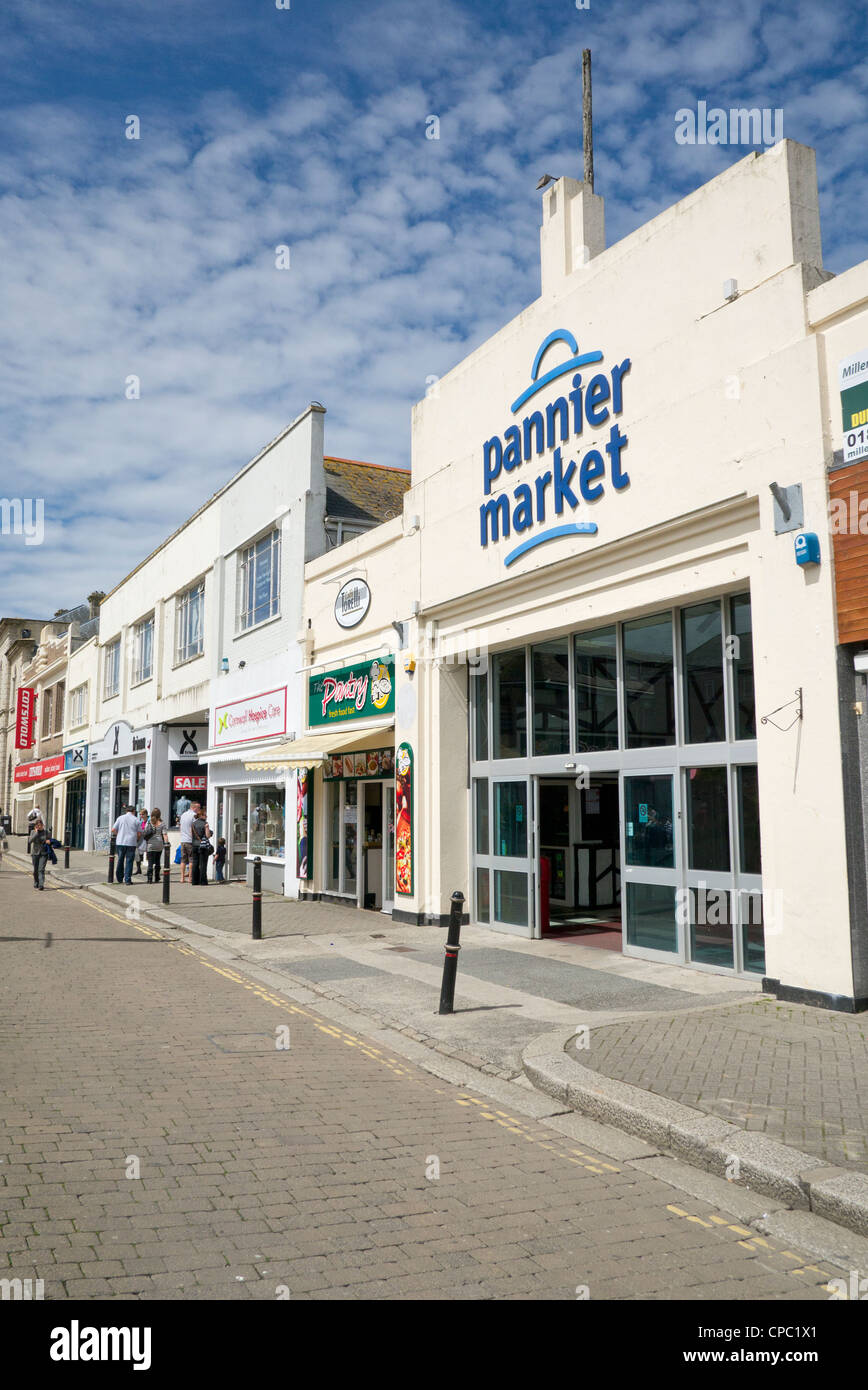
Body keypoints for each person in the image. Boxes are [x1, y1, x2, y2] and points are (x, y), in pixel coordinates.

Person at [112, 803, 142, 886]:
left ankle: (119, 878)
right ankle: (127, 880)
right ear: (134, 811)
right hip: (131, 843)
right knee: (129, 861)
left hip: (120, 842)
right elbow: (139, 833)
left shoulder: (120, 818)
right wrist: (136, 839)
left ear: (126, 811)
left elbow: (113, 829)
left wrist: (119, 835)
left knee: (120, 860)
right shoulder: (136, 820)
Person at [142, 808, 168, 884]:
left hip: (150, 844)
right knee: (157, 861)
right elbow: (165, 835)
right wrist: (167, 844)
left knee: (150, 862)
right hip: (159, 844)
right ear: (159, 814)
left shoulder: (149, 822)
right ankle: (157, 877)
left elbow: (145, 832)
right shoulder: (162, 823)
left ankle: (149, 879)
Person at [190, 805, 211, 886]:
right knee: (203, 864)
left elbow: (191, 834)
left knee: (195, 863)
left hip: (194, 845)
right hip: (203, 846)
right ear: (201, 815)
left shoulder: (193, 824)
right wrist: (207, 828)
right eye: (205, 815)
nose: (206, 816)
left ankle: (194, 881)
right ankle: (203, 881)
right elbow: (208, 835)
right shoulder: (205, 824)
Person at [178, 800, 197, 884]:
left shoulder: (183, 815)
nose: (199, 809)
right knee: (191, 860)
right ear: (194, 807)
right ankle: (190, 878)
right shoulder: (194, 815)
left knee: (183, 860)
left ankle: (182, 878)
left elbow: (180, 827)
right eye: (198, 807)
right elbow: (193, 828)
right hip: (190, 840)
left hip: (183, 840)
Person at [27, 817, 49, 890]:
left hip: (44, 853)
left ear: (43, 825)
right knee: (35, 870)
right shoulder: (33, 832)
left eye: (40, 825)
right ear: (36, 826)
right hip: (35, 853)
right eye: (38, 825)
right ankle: (36, 882)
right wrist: (36, 833)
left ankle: (41, 884)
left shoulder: (46, 832)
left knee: (41, 869)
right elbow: (30, 841)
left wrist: (49, 842)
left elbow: (50, 841)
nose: (39, 826)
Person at [133, 808, 149, 876]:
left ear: (146, 814)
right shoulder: (140, 822)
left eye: (143, 814)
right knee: (138, 855)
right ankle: (139, 869)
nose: (141, 816)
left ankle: (149, 870)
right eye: (140, 814)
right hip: (141, 840)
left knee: (148, 855)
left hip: (147, 839)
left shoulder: (149, 821)